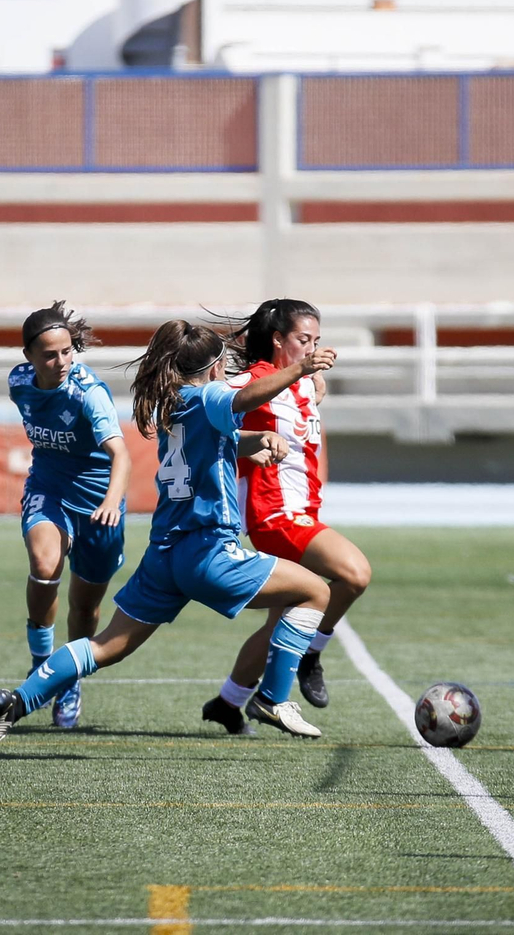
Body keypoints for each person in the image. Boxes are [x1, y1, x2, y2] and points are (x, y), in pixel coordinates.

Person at [0, 320, 336, 759]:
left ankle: (13, 703)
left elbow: (211, 439)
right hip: (209, 550)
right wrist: (300, 370)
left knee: (106, 646)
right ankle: (272, 698)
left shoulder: (173, 401)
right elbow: (242, 398)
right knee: (315, 592)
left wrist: (252, 440)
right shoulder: (209, 395)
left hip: (164, 555)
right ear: (213, 367)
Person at [200, 299, 374, 737]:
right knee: (354, 573)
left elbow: (306, 400)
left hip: (303, 508)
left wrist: (311, 380)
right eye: (303, 339)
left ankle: (229, 701)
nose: (312, 348)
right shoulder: (257, 380)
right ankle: (310, 654)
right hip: (274, 513)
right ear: (278, 340)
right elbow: (217, 406)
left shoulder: (304, 382)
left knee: (283, 620)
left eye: (316, 340)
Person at [7, 302, 131, 730]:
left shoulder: (89, 393)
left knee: (85, 604)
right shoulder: (19, 383)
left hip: (99, 505)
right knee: (44, 567)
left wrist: (111, 502)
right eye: (49, 355)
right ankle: (42, 662)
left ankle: (69, 678)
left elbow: (121, 455)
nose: (61, 361)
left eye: (67, 351)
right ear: (28, 356)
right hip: (49, 489)